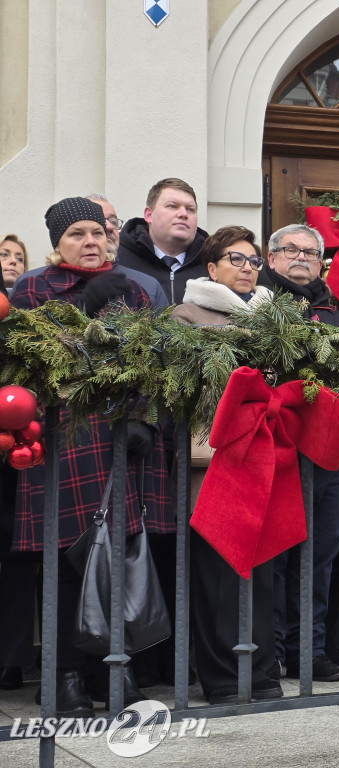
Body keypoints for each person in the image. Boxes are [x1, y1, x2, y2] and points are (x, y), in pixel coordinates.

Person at [9, 197, 171, 716]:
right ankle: (63, 677)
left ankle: (112, 673)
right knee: (66, 563)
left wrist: (145, 418)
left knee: (116, 564)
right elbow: (25, 359)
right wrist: (82, 309)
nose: (91, 242)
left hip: (119, 440)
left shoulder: (134, 288)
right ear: (57, 242)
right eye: (78, 233)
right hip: (63, 442)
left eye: (98, 232)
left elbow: (154, 360)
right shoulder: (32, 287)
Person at [170, 225, 279, 704]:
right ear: (211, 267)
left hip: (264, 459)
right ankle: (220, 678)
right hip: (210, 460)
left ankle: (261, 672)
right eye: (237, 259)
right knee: (216, 576)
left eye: (254, 261)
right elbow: (179, 388)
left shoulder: (270, 318)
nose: (248, 268)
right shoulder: (186, 313)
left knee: (262, 572)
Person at [265, 223, 339, 683]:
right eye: (290, 250)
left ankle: (310, 649)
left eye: (311, 252)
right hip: (277, 449)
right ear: (272, 257)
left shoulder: (338, 315)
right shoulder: (258, 308)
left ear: (321, 262)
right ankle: (274, 651)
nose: (301, 257)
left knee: (320, 555)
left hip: (330, 454)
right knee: (279, 552)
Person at [118, 178, 208, 304]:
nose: (183, 214)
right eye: (172, 206)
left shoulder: (213, 263)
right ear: (149, 215)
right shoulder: (118, 258)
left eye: (190, 209)